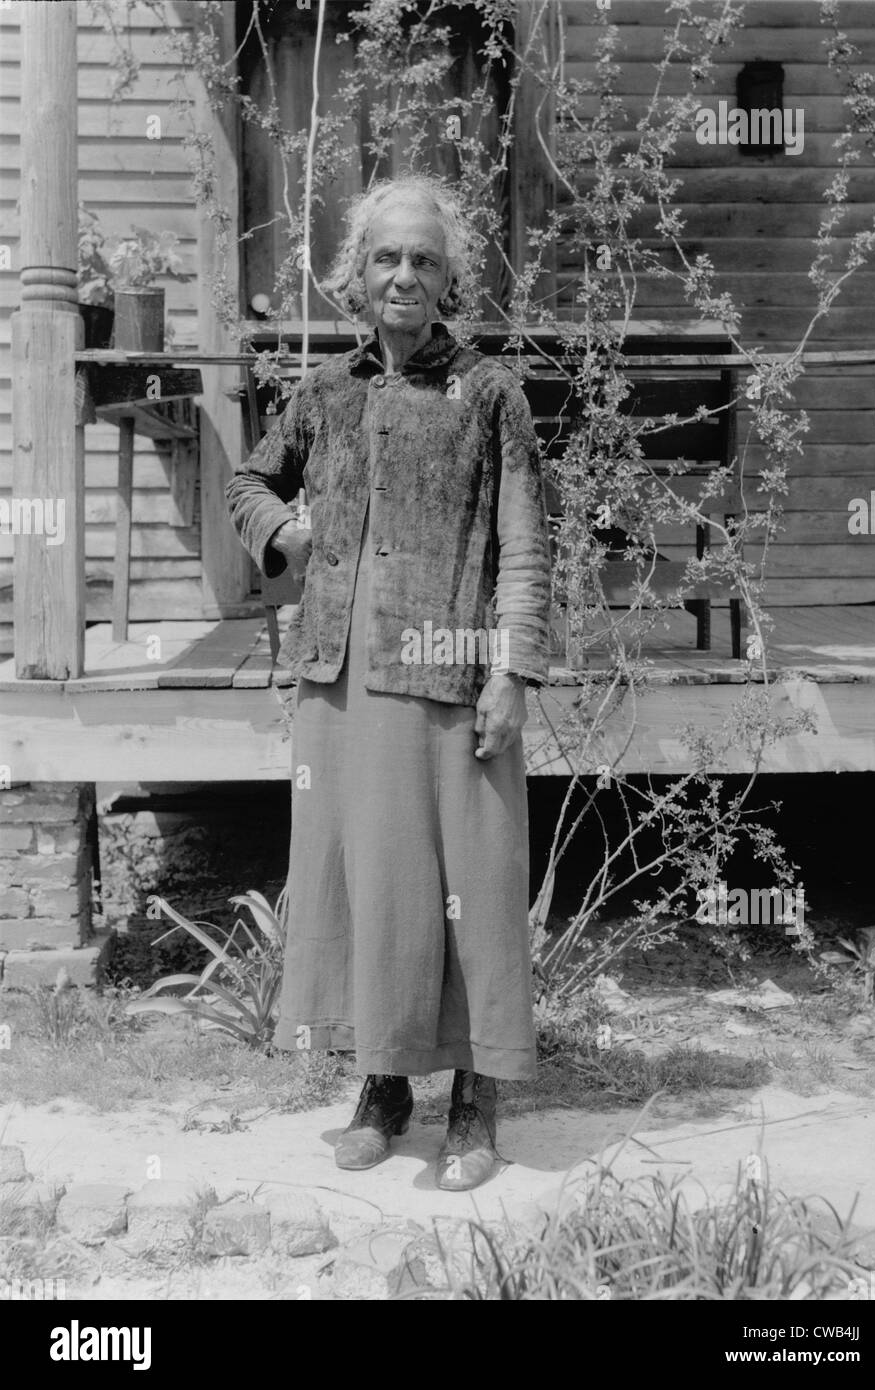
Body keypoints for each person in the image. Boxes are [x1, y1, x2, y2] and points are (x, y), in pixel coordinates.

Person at [225, 173, 551, 1192]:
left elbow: (523, 540)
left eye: (422, 258)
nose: (403, 273)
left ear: (449, 276)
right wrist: (281, 530)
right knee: (370, 881)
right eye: (385, 258)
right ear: (357, 277)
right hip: (341, 673)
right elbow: (248, 482)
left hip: (453, 672)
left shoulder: (489, 391)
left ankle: (475, 1103)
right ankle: (382, 1090)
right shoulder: (325, 392)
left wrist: (515, 668)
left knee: (473, 882)